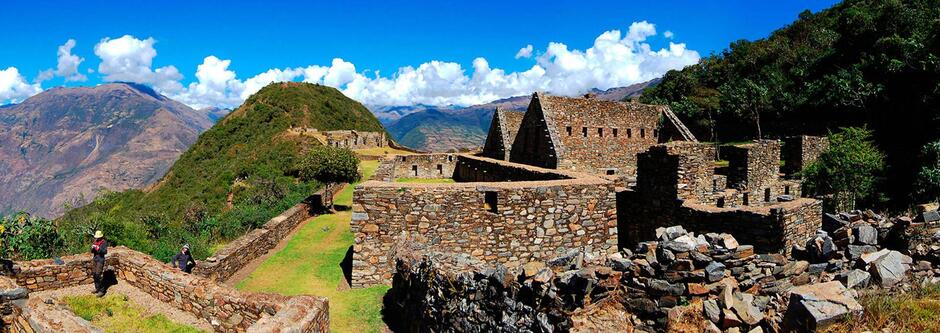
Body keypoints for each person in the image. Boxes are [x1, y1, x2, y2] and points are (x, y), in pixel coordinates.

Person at [90, 230, 108, 297]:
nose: (96, 238)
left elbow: (105, 251)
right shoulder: (95, 242)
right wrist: (92, 248)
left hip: (100, 260)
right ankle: (97, 288)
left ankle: (102, 290)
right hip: (95, 259)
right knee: (94, 274)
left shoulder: (104, 243)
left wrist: (98, 248)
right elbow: (92, 251)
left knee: (98, 275)